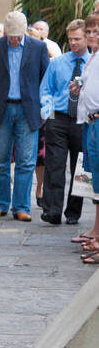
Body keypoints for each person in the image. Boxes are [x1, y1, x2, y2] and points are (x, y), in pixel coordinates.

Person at [0, 11, 51, 221]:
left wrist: (46, 109)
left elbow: (46, 81)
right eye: (11, 36)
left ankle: (21, 207)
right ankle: (0, 203)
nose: (14, 39)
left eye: (18, 36)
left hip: (29, 110)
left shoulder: (38, 48)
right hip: (1, 109)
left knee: (26, 161)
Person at [39, 19, 92, 225]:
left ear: (87, 38)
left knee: (79, 167)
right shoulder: (58, 63)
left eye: (77, 39)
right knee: (54, 165)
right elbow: (46, 90)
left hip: (82, 120)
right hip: (59, 119)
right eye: (70, 39)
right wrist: (49, 115)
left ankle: (73, 212)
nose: (73, 43)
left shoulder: (92, 64)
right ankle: (52, 210)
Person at [75, 13, 99, 256]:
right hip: (91, 120)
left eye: (96, 32)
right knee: (96, 180)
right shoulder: (93, 57)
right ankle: (96, 230)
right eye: (89, 32)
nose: (92, 36)